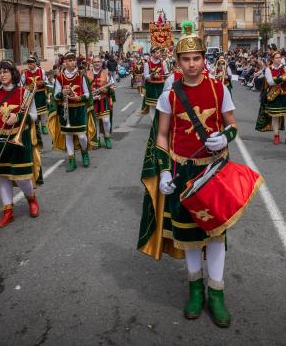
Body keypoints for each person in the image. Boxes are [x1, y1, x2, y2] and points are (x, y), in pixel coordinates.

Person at [136, 24, 238, 327]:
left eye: (196, 58)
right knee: (190, 234)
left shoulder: (219, 88)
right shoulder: (170, 95)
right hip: (182, 171)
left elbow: (232, 124)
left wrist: (226, 137)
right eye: (185, 59)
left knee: (216, 234)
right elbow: (163, 135)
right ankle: (195, 289)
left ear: (203, 59)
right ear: (177, 62)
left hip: (214, 169)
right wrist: (165, 168)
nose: (191, 64)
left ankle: (216, 294)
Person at [0, 60, 41, 229]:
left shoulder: (25, 92)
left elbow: (34, 115)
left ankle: (31, 198)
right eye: (0, 72)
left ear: (12, 73)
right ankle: (7, 210)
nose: (2, 75)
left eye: (5, 72)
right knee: (3, 175)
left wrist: (18, 117)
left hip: (19, 137)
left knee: (22, 176)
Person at [49, 51, 94, 172]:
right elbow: (55, 95)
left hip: (79, 110)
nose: (72, 62)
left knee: (82, 136)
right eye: (69, 60)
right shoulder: (60, 77)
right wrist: (61, 94)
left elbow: (87, 93)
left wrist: (81, 97)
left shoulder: (81, 76)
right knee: (68, 136)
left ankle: (85, 153)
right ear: (64, 62)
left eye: (73, 60)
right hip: (66, 110)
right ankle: (71, 160)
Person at [255, 52, 286, 145]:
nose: (279, 59)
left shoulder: (284, 68)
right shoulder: (268, 69)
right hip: (274, 96)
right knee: (275, 116)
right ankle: (276, 136)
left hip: (285, 94)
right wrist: (281, 79)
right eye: (276, 58)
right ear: (272, 59)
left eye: (280, 57)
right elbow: (270, 82)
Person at [86, 56, 115, 149]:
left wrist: (106, 90)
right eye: (95, 62)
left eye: (98, 62)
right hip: (93, 100)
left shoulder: (107, 72)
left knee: (106, 120)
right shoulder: (87, 74)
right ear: (92, 64)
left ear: (101, 63)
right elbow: (85, 88)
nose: (97, 63)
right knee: (96, 121)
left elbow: (112, 86)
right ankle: (97, 139)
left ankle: (107, 137)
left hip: (103, 100)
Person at [21, 57, 49, 135]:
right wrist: (27, 87)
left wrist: (42, 83)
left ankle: (43, 126)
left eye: (30, 64)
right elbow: (20, 85)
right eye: (28, 64)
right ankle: (35, 127)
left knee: (43, 111)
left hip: (40, 94)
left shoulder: (41, 71)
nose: (29, 65)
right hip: (30, 95)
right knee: (33, 111)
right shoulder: (24, 73)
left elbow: (46, 81)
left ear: (35, 63)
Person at [141, 47, 169, 118]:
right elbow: (145, 76)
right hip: (151, 87)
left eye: (160, 52)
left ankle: (160, 122)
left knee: (161, 105)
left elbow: (166, 73)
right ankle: (153, 123)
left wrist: (167, 75)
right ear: (152, 53)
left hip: (161, 87)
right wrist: (151, 75)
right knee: (152, 106)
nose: (159, 54)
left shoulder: (163, 62)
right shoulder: (147, 63)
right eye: (157, 52)